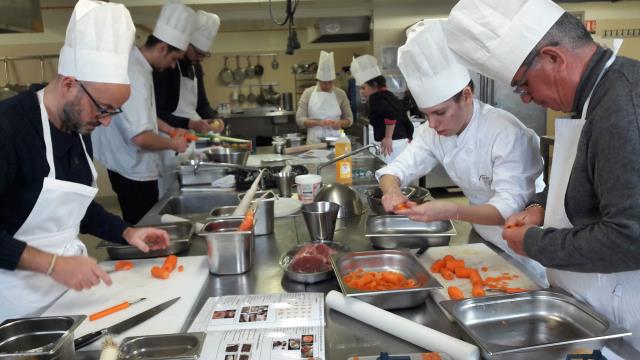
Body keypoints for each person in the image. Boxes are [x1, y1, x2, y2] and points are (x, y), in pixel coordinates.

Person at [447, 0, 640, 352]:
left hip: (626, 320)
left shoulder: (622, 107)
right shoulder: (597, 95)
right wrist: (538, 204)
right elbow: (581, 178)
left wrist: (534, 243)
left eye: (522, 85)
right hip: (591, 304)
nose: (525, 99)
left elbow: (631, 238)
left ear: (554, 58)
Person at [0, 0, 170, 321]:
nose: (106, 122)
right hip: (13, 308)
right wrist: (53, 265)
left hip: (64, 298)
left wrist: (125, 232)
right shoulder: (9, 129)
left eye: (112, 112)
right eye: (103, 109)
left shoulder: (79, 126)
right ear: (68, 85)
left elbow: (75, 209)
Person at [377, 19, 547, 283]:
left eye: (440, 112)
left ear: (466, 95)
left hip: (524, 244)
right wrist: (392, 191)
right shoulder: (432, 131)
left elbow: (506, 207)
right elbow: (394, 171)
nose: (432, 124)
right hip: (482, 237)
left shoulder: (506, 134)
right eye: (426, 114)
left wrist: (450, 211)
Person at [92, 0, 195, 224]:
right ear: (161, 48)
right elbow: (140, 137)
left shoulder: (140, 66)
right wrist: (173, 143)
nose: (171, 66)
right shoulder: (135, 74)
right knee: (142, 229)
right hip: (131, 169)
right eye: (173, 59)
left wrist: (169, 129)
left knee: (146, 226)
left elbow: (144, 113)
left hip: (132, 166)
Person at [153, 10, 225, 195]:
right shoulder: (167, 68)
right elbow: (156, 111)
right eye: (198, 53)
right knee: (171, 191)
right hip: (169, 141)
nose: (199, 59)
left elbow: (201, 104)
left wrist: (214, 119)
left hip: (188, 141)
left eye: (204, 55)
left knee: (191, 187)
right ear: (186, 45)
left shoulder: (196, 68)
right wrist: (189, 123)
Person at [351, 55, 413, 162]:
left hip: (391, 144)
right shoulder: (389, 95)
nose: (361, 92)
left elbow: (390, 114)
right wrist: (409, 135)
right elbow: (403, 117)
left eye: (363, 88)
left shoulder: (375, 98)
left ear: (374, 85)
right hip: (400, 142)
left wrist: (388, 137)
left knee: (390, 173)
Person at [295, 50, 353, 144]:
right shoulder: (308, 93)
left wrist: (340, 123)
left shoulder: (340, 93)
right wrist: (319, 123)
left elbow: (349, 119)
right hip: (314, 143)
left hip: (336, 142)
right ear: (318, 80)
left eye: (330, 82)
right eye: (324, 82)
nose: (327, 85)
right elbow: (299, 120)